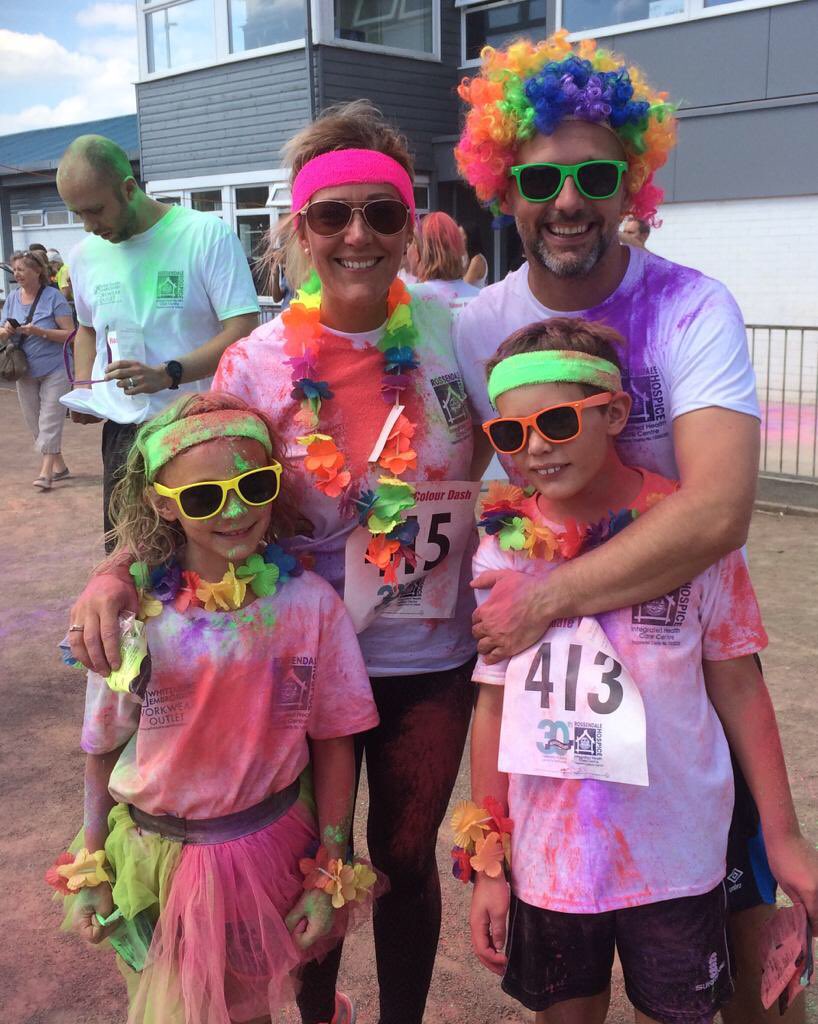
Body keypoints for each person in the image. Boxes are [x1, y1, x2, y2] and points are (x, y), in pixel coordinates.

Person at [65, 100, 480, 1024]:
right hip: (283, 655)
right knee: (301, 868)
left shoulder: (466, 332)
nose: (359, 235)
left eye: (383, 213)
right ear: (300, 230)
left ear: (410, 223)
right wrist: (113, 572)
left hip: (428, 658)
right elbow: (195, 481)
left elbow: (541, 447)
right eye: (333, 216)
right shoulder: (255, 361)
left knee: (405, 865)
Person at [453, 33, 787, 1021]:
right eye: (540, 178)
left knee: (756, 973)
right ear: (502, 187)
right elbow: (446, 467)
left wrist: (541, 597)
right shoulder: (479, 326)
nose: (566, 200)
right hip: (558, 741)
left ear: (630, 183)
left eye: (594, 174)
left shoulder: (691, 307)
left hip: (682, 654)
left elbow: (718, 508)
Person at [463, 319, 818, 1023]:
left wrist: (782, 837)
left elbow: (741, 687)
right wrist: (488, 858)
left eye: (558, 421)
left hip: (677, 857)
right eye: (511, 434)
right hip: (553, 864)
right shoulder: (502, 549)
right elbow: (494, 708)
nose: (534, 448)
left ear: (616, 413)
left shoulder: (690, 539)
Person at [50, 391, 381, 1024]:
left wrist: (330, 866)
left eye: (253, 487)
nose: (234, 512)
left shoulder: (309, 606)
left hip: (267, 852)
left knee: (249, 1007)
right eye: (203, 498)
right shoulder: (132, 619)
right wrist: (91, 864)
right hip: (154, 862)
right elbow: (103, 749)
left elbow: (336, 740)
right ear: (161, 505)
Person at [55, 134, 260, 544]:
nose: (90, 226)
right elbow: (88, 329)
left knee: (203, 559)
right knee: (128, 558)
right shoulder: (83, 255)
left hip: (196, 428)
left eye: (95, 210)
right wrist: (84, 388)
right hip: (123, 436)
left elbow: (243, 330)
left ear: (129, 189)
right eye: (78, 214)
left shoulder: (204, 235)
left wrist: (170, 373)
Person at [0, 249, 74, 489]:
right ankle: (59, 466)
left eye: (22, 269)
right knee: (34, 421)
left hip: (55, 366)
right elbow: (1, 331)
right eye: (15, 270)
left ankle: (46, 473)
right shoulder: (12, 298)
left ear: (38, 271)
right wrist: (7, 332)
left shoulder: (54, 298)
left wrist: (39, 331)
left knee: (50, 418)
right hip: (23, 369)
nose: (17, 274)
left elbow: (71, 335)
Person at [410, 211, 480, 315]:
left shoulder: (410, 299)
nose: (407, 250)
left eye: (409, 243)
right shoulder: (481, 298)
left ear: (417, 250)